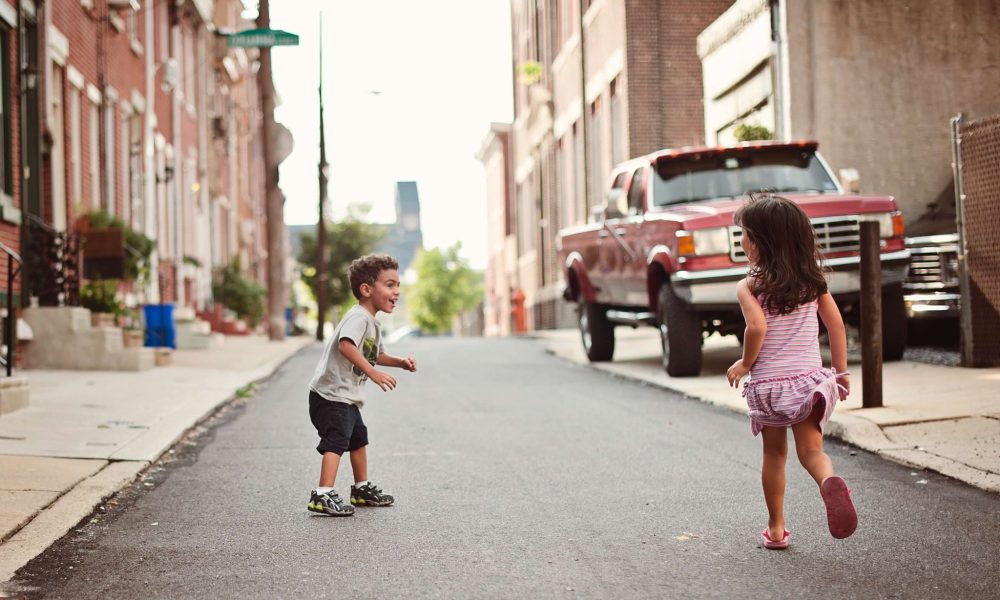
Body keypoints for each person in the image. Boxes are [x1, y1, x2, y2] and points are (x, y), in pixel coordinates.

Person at [726, 193, 857, 549]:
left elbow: (757, 329)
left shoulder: (750, 285)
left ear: (758, 242)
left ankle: (776, 529)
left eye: (744, 233)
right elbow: (836, 326)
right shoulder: (812, 282)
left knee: (774, 455)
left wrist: (745, 363)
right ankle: (828, 479)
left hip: (771, 387)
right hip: (809, 384)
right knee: (812, 452)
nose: (742, 240)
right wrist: (840, 374)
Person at [306, 254, 417, 517]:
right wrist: (373, 373)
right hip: (331, 395)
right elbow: (346, 345)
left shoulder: (371, 322)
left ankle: (361, 488)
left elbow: (374, 354)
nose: (397, 291)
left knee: (358, 439)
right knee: (337, 440)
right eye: (390, 285)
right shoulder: (359, 318)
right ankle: (322, 494)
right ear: (366, 289)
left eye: (398, 285)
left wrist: (400, 362)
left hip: (346, 396)